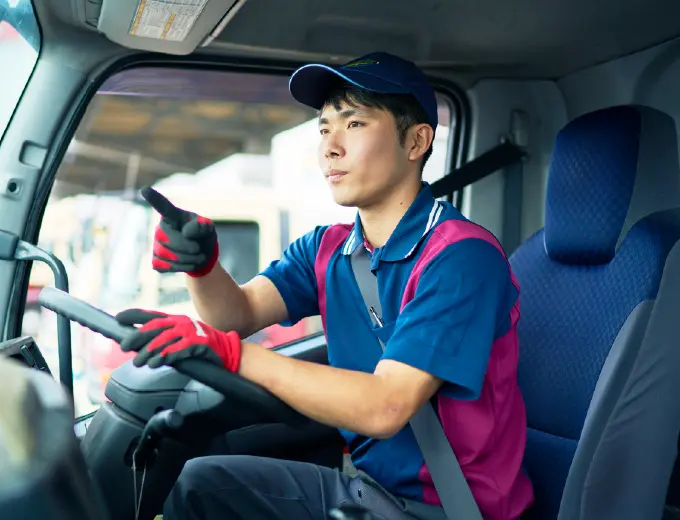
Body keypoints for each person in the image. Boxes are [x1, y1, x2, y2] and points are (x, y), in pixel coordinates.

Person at [116, 52, 535, 520]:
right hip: (368, 491)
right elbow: (236, 315)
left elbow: (386, 406)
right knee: (198, 485)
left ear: (417, 141)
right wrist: (202, 267)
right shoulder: (327, 248)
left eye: (354, 124)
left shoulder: (461, 256)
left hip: (448, 511)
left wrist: (234, 355)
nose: (330, 148)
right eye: (323, 129)